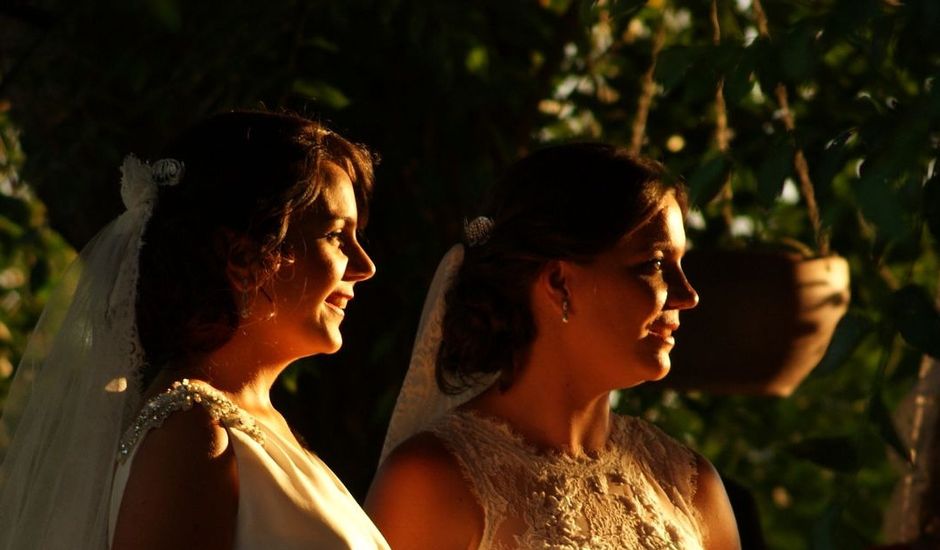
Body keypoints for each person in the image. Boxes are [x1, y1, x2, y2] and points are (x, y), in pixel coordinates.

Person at [0, 111, 390, 549]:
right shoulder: (188, 438)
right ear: (245, 257)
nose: (364, 267)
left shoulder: (258, 425)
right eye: (337, 236)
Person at [366, 143, 741, 549]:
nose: (688, 295)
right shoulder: (432, 481)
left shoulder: (688, 483)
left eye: (680, 265)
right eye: (653, 265)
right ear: (560, 282)